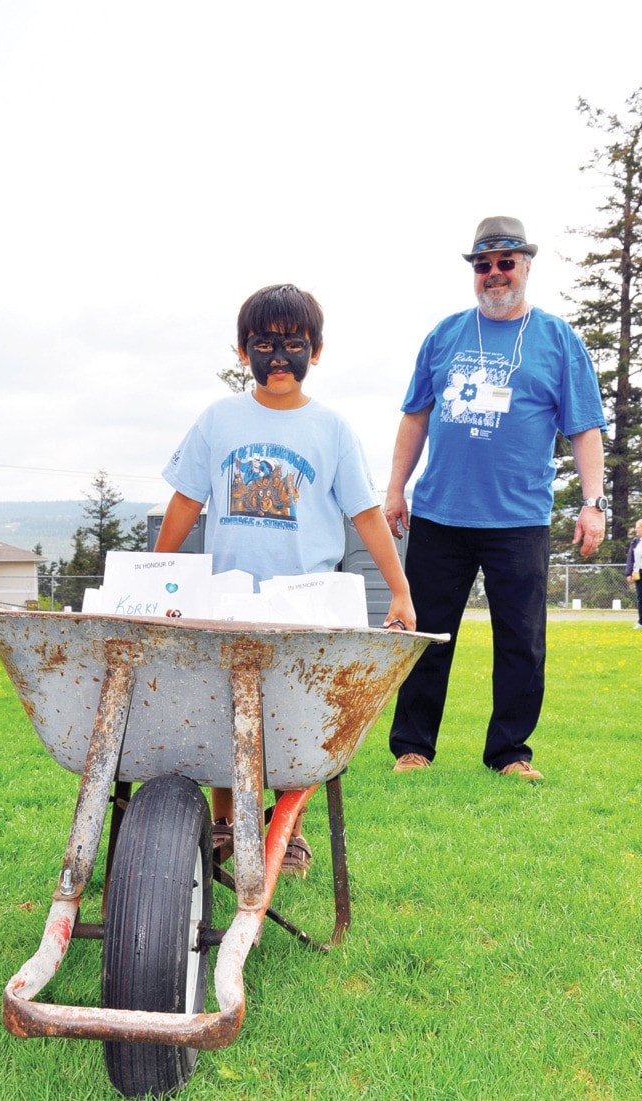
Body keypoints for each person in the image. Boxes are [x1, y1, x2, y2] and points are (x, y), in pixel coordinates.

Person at [155, 283, 415, 874]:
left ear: (316, 351)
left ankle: (285, 828)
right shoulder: (218, 420)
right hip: (227, 599)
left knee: (293, 719)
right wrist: (157, 573)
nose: (279, 357)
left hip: (305, 604)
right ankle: (223, 823)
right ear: (242, 351)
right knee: (224, 712)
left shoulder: (331, 429)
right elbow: (184, 502)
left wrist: (399, 589)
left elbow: (366, 515)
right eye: (263, 344)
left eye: (293, 344)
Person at [383, 216, 607, 781]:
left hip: (518, 517)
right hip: (440, 512)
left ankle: (510, 753)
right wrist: (395, 489)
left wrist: (593, 501)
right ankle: (413, 747)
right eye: (483, 264)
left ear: (526, 266)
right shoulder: (445, 334)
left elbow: (584, 427)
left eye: (506, 262)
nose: (494, 274)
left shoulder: (558, 339)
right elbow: (415, 416)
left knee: (521, 642)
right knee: (425, 636)